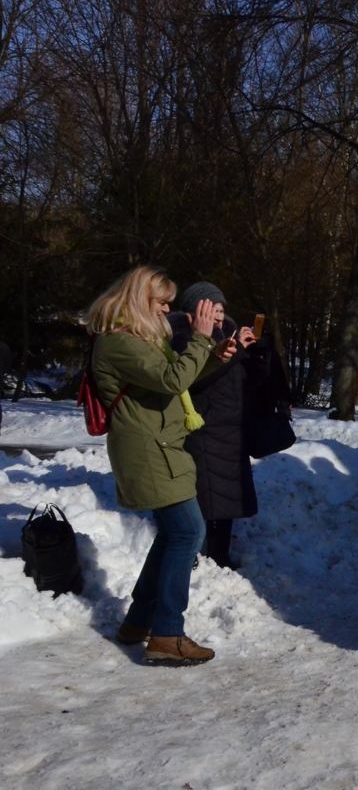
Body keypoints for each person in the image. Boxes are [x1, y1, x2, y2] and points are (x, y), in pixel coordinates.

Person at [86, 265, 237, 665]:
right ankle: (167, 633)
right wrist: (201, 338)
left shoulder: (138, 339)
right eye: (161, 302)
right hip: (148, 450)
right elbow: (172, 380)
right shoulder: (119, 342)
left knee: (175, 533)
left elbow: (174, 379)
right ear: (138, 300)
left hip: (162, 445)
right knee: (188, 531)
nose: (167, 309)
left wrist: (213, 357)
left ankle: (139, 622)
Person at [169, 281, 278, 570]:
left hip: (232, 428)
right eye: (213, 309)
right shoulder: (182, 337)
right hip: (205, 428)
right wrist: (236, 351)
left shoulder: (227, 335)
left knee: (227, 498)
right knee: (206, 497)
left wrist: (257, 353)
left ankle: (219, 554)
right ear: (197, 309)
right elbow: (196, 379)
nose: (219, 315)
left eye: (221, 309)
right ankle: (192, 552)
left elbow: (247, 381)